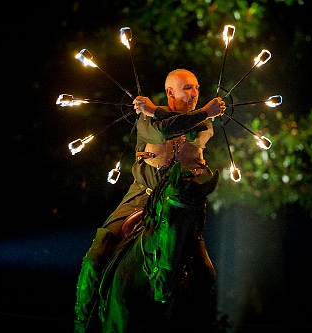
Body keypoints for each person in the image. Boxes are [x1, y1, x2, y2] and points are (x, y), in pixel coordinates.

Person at [74, 68, 226, 332]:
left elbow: (192, 131)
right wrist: (158, 112)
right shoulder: (147, 122)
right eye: (189, 87)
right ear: (171, 92)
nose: (196, 93)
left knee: (206, 272)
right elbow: (162, 134)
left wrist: (157, 110)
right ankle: (82, 323)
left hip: (177, 210)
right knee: (94, 259)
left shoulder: (204, 124)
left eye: (197, 88)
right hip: (139, 201)